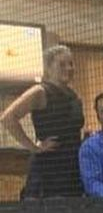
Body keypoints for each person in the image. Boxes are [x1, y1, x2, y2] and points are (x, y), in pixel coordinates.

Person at [0, 44, 84, 198]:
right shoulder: (40, 91)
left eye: (71, 64)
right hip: (49, 168)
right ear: (48, 68)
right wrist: (33, 147)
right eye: (62, 64)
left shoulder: (73, 95)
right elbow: (8, 118)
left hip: (72, 167)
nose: (69, 68)